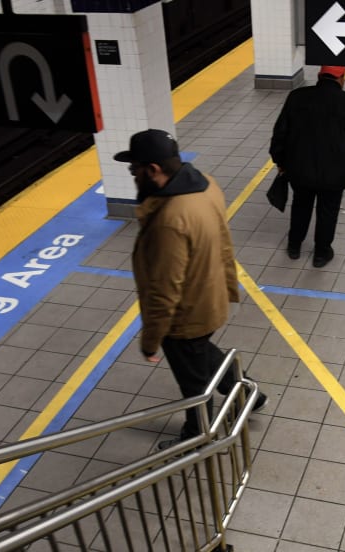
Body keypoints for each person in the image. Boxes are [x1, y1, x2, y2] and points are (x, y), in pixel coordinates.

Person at [114, 129, 267, 449]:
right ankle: (248, 394)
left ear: (153, 169)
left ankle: (197, 437)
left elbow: (164, 291)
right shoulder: (205, 184)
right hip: (211, 294)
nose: (133, 176)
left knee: (193, 383)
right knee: (203, 353)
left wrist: (150, 341)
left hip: (185, 317)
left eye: (134, 169)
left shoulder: (170, 219)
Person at [269, 65, 345, 268]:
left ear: (319, 76)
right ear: (342, 78)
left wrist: (279, 161)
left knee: (301, 205)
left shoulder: (297, 97)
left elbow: (280, 133)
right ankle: (321, 253)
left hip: (300, 169)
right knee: (328, 211)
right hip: (335, 172)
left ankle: (294, 246)